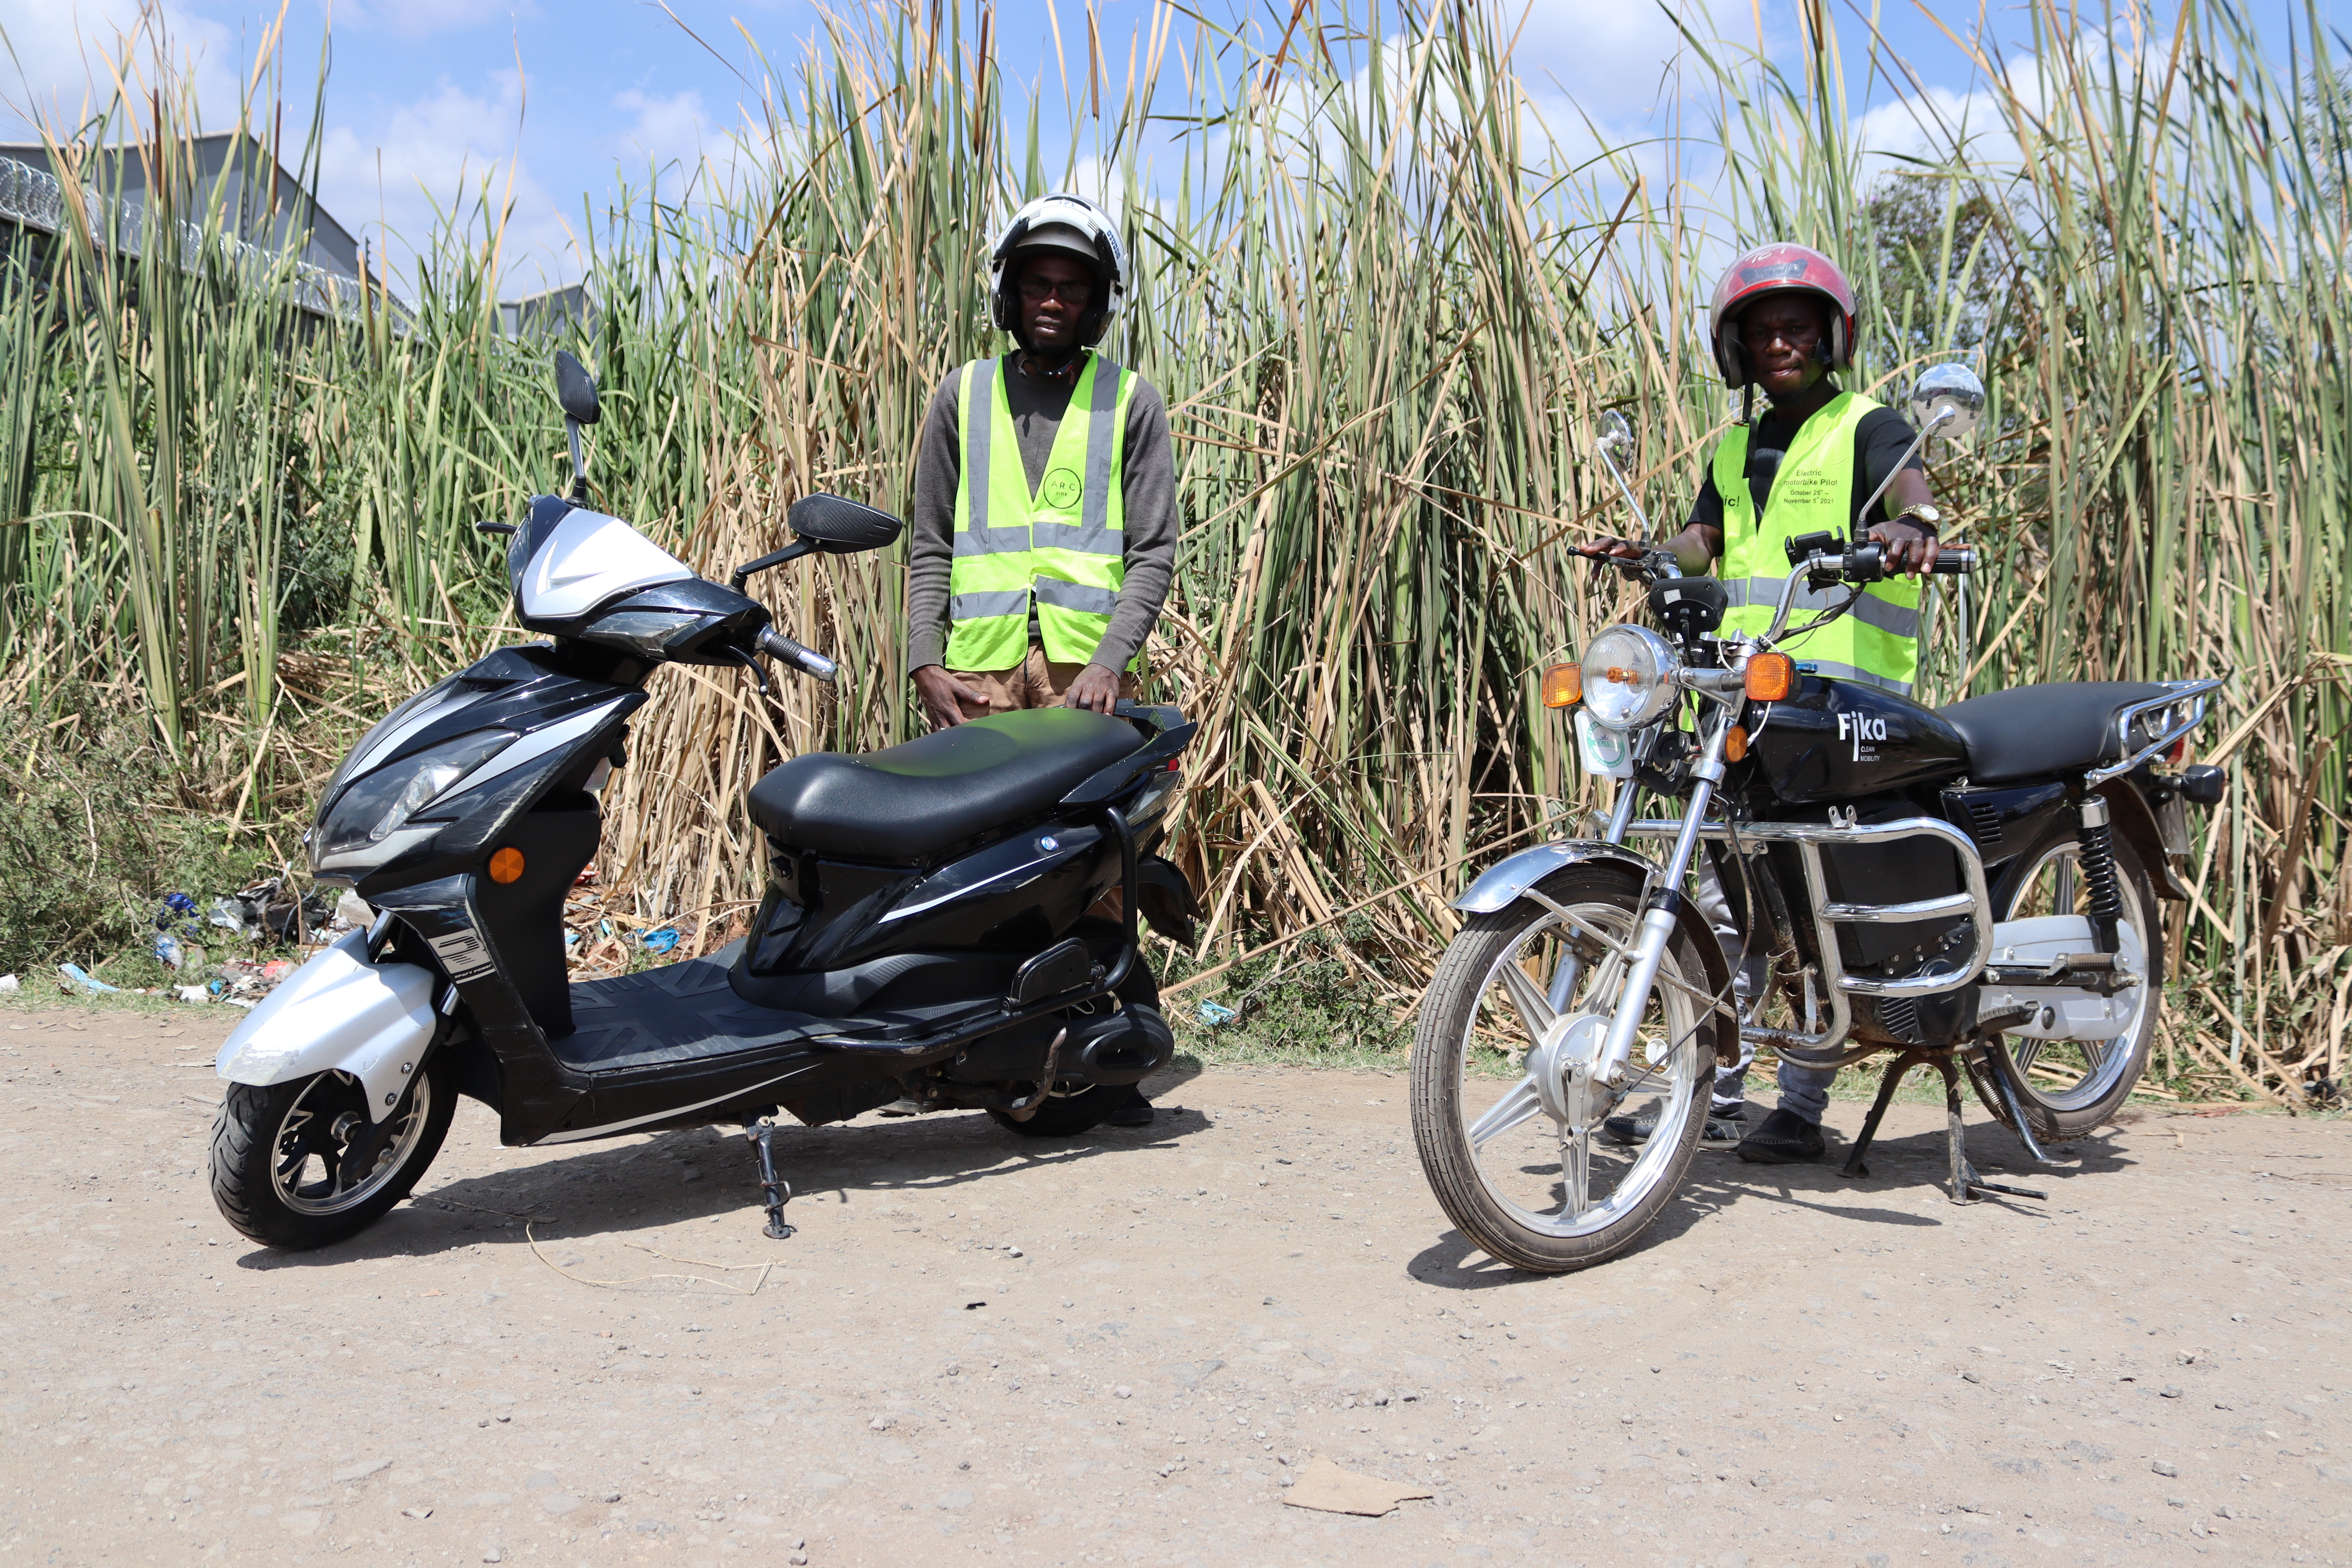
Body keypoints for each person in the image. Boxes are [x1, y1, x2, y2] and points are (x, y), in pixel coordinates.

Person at [1593, 241, 1947, 1165]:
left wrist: (1911, 527)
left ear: (1830, 335)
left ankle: (1802, 1101)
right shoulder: (1731, 448)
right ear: (1737, 350)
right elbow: (1704, 539)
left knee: (1817, 905)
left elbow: (1912, 487)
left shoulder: (1868, 424)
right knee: (1723, 897)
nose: (1780, 342)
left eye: (1796, 327)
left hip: (1843, 703)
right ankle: (1715, 1086)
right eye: (1762, 331)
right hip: (1744, 699)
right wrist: (1651, 554)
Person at [894, 191, 1180, 1129]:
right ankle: (973, 1049)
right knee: (972, 871)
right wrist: (924, 658)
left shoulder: (1129, 400)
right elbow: (929, 540)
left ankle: (1115, 1061)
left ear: (1099, 303)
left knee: (1095, 867)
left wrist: (1110, 660)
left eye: (1073, 287)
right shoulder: (961, 395)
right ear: (1009, 294)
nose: (1053, 300)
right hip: (974, 674)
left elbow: (1153, 552)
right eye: (1037, 284)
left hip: (1079, 679)